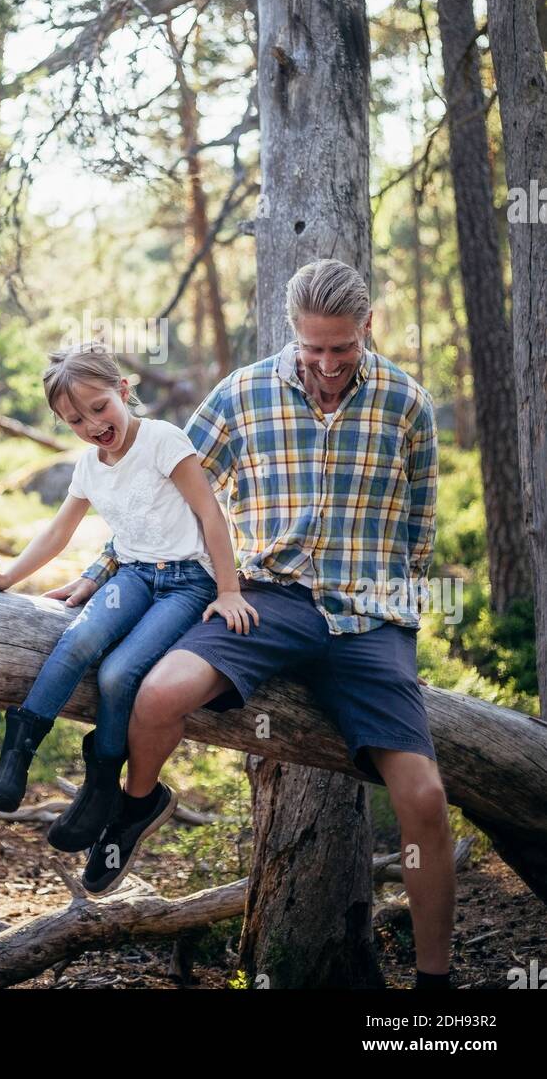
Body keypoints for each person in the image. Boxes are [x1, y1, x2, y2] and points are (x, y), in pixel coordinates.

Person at [53, 260, 456, 990]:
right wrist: (105, 568)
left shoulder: (406, 401)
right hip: (265, 600)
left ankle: (433, 990)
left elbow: (420, 526)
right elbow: (162, 484)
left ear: (365, 329)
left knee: (424, 797)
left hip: (369, 617)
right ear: (292, 333)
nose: (328, 365)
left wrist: (396, 608)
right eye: (313, 348)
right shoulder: (242, 394)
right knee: (157, 693)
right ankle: (140, 803)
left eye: (343, 348)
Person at [0, 341, 254, 852]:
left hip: (187, 583)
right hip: (133, 576)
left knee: (119, 673)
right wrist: (7, 577)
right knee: (78, 639)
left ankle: (100, 789)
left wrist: (228, 590)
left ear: (123, 390)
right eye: (74, 420)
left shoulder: (162, 440)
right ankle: (14, 762)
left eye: (99, 408)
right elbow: (56, 533)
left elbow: (210, 515)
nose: (92, 425)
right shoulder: (90, 466)